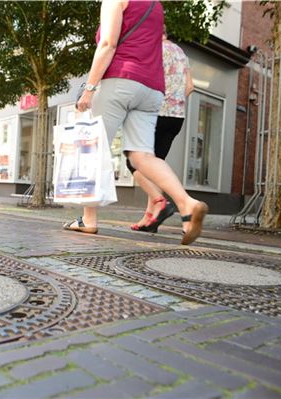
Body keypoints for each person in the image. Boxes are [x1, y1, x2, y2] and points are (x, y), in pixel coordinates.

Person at [65, 0, 208, 246]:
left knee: (94, 148)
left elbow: (108, 44)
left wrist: (88, 89)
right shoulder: (156, 5)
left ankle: (89, 220)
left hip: (120, 80)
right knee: (142, 156)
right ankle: (187, 203)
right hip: (152, 89)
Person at [129, 25, 195, 233]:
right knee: (154, 169)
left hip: (154, 114)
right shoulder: (180, 53)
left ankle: (172, 202)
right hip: (176, 117)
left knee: (134, 162)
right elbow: (190, 87)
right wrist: (173, 101)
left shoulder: (152, 49)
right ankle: (151, 218)